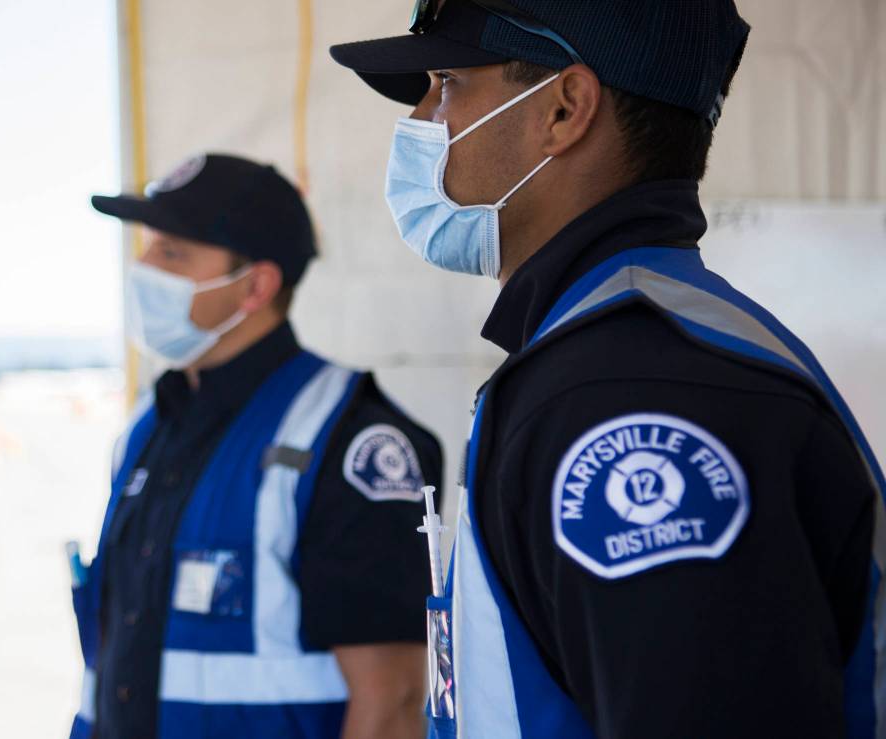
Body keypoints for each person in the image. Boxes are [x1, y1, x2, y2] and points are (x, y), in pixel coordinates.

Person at [330, 1, 885, 737]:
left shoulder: (632, 396)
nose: (425, 118)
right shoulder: (613, 355)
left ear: (564, 109)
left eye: (448, 82)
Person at [69, 152, 443, 739]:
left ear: (257, 285)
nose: (142, 267)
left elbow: (392, 702)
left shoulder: (348, 441)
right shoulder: (147, 426)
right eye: (147, 246)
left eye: (172, 253)